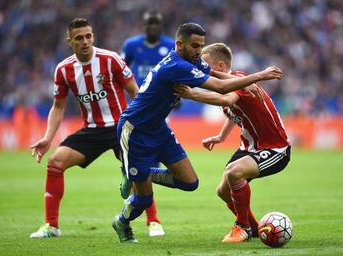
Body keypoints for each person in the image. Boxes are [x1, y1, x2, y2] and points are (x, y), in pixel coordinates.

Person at [111, 22, 283, 243]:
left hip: (159, 129)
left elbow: (214, 73)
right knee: (144, 200)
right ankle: (122, 223)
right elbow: (219, 88)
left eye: (201, 46)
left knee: (189, 182)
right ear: (179, 44)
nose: (199, 51)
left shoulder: (191, 60)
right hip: (135, 130)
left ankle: (137, 173)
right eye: (194, 46)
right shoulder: (176, 66)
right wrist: (258, 76)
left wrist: (241, 82)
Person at [29, 18, 138, 238]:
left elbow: (135, 92)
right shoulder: (63, 70)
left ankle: (153, 221)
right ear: (70, 41)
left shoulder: (111, 59)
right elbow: (58, 107)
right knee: (55, 162)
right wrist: (48, 138)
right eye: (79, 38)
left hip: (120, 126)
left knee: (138, 172)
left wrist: (139, 125)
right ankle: (52, 226)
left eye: (88, 36)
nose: (85, 41)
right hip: (92, 131)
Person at [173, 42, 291, 243]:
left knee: (234, 173)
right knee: (223, 192)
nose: (202, 67)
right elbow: (235, 111)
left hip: (275, 148)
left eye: (206, 63)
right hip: (250, 147)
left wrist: (192, 94)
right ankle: (254, 228)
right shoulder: (235, 83)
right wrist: (221, 136)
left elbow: (228, 101)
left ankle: (242, 227)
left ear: (219, 66)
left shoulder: (239, 80)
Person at [119, 10, 175, 237]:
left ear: (161, 26)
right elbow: (120, 71)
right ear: (144, 26)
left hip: (161, 108)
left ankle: (129, 173)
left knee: (146, 162)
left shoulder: (170, 45)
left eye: (156, 23)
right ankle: (153, 220)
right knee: (148, 159)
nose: (153, 26)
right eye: (149, 23)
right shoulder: (132, 45)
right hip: (138, 109)